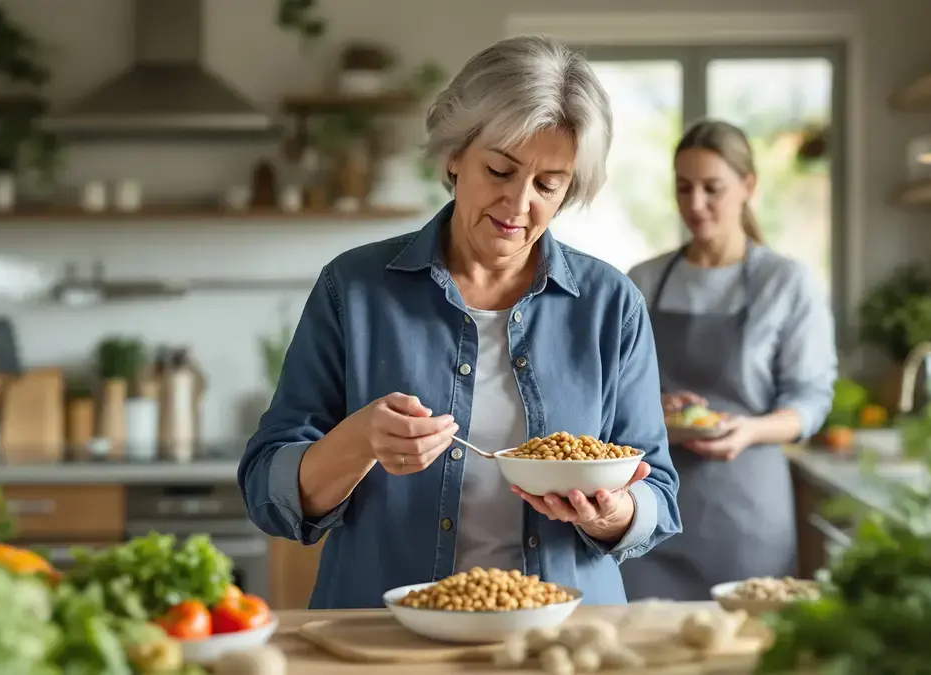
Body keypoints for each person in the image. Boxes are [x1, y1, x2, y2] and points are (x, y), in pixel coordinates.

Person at [239, 35, 681, 610]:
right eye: (500, 170)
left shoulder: (610, 303)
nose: (519, 204)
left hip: (565, 642)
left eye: (549, 185)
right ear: (455, 155)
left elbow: (660, 495)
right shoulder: (353, 288)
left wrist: (613, 513)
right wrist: (357, 441)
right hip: (386, 640)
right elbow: (265, 491)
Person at [619, 119, 837, 601]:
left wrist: (750, 429)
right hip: (650, 506)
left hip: (747, 512)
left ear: (748, 186)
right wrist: (655, 409)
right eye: (684, 188)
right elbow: (614, 391)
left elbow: (810, 399)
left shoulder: (787, 283)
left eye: (711, 188)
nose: (695, 204)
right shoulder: (644, 279)